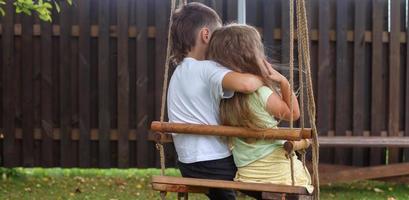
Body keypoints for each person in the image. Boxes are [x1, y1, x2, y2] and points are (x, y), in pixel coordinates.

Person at [167, 3, 267, 200]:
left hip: (188, 163)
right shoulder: (207, 69)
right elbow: (247, 85)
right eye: (218, 34)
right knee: (269, 173)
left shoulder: (179, 71)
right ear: (206, 35)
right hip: (213, 161)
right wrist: (266, 75)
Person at [207, 23, 314, 194]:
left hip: (248, 173)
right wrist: (283, 82)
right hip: (278, 173)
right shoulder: (260, 93)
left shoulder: (222, 95)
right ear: (252, 55)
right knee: (301, 178)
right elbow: (293, 114)